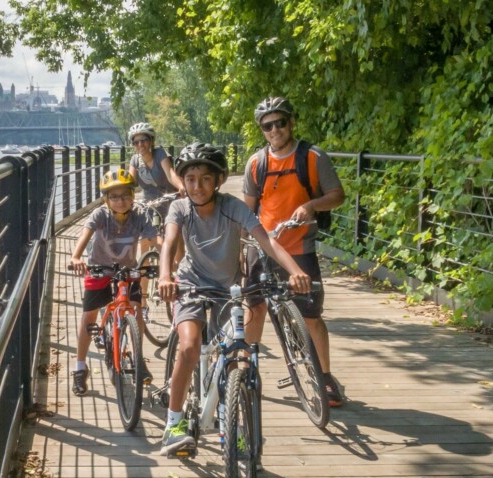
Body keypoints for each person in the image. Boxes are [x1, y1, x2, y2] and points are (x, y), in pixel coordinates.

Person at [156, 143, 312, 456]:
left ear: (218, 180)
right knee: (188, 345)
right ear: (183, 182)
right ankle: (173, 424)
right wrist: (164, 276)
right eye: (190, 179)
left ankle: (232, 426)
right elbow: (169, 243)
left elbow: (266, 240)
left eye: (204, 179)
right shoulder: (180, 208)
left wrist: (295, 271)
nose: (197, 186)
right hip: (189, 284)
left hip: (227, 289)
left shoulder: (233, 207)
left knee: (233, 355)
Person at [242, 96, 347, 406]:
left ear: (291, 122)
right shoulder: (256, 163)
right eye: (267, 125)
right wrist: (239, 248)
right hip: (263, 248)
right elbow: (248, 212)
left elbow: (337, 195)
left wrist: (310, 206)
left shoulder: (313, 157)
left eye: (280, 123)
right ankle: (248, 367)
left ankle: (325, 377)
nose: (274, 130)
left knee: (311, 315)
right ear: (261, 129)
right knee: (255, 307)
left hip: (300, 247)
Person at [69, 169, 157, 396]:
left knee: (136, 311)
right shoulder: (100, 215)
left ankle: (138, 359)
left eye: (125, 195)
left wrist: (166, 260)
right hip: (99, 268)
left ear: (133, 195)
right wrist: (76, 256)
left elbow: (156, 239)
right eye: (114, 197)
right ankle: (80, 366)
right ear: (106, 199)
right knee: (89, 315)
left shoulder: (139, 216)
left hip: (127, 270)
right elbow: (86, 234)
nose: (120, 201)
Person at [127, 122, 184, 248]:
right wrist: (121, 195)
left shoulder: (160, 154)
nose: (140, 145)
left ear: (151, 141)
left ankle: (178, 263)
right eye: (136, 142)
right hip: (151, 202)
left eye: (144, 140)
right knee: (147, 237)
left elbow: (170, 174)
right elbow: (129, 182)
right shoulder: (135, 160)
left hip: (169, 197)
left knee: (175, 232)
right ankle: (144, 266)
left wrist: (181, 187)